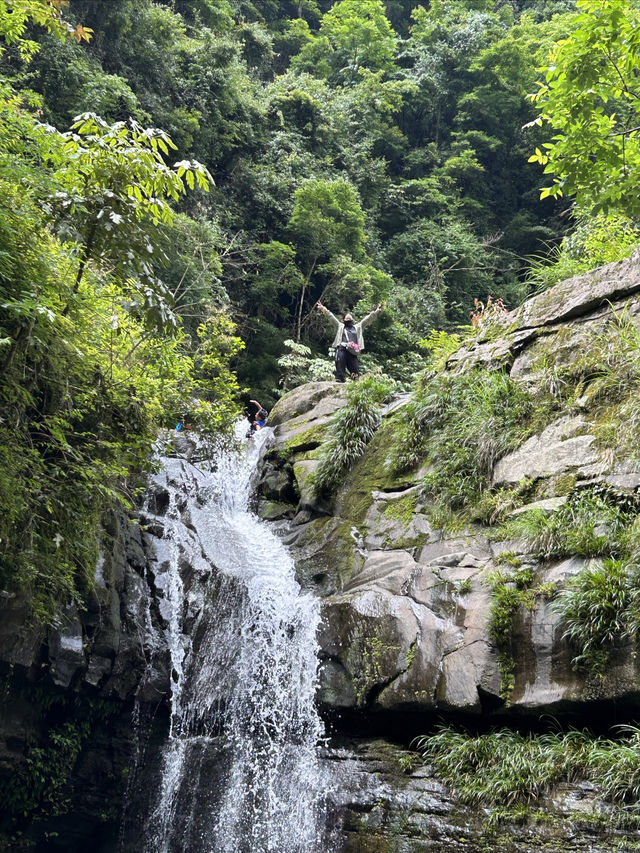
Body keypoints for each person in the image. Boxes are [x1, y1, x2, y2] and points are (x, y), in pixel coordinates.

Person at [316, 300, 382, 382]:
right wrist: (323, 309)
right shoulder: (340, 326)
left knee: (355, 369)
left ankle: (355, 381)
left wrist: (376, 312)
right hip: (342, 348)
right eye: (346, 318)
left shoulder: (358, 327)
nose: (348, 318)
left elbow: (367, 319)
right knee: (340, 361)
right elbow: (331, 317)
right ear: (343, 320)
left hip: (353, 350)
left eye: (349, 317)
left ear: (352, 319)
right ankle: (340, 379)